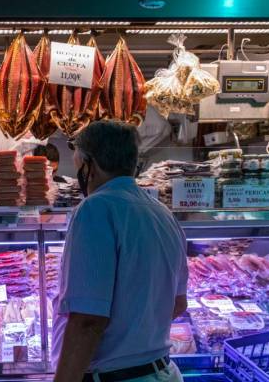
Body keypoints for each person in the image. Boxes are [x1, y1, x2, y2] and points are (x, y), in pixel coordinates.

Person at [53, 121, 188, 382]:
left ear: (88, 165)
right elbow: (178, 303)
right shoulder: (161, 211)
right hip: (163, 373)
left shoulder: (95, 209)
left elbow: (87, 321)